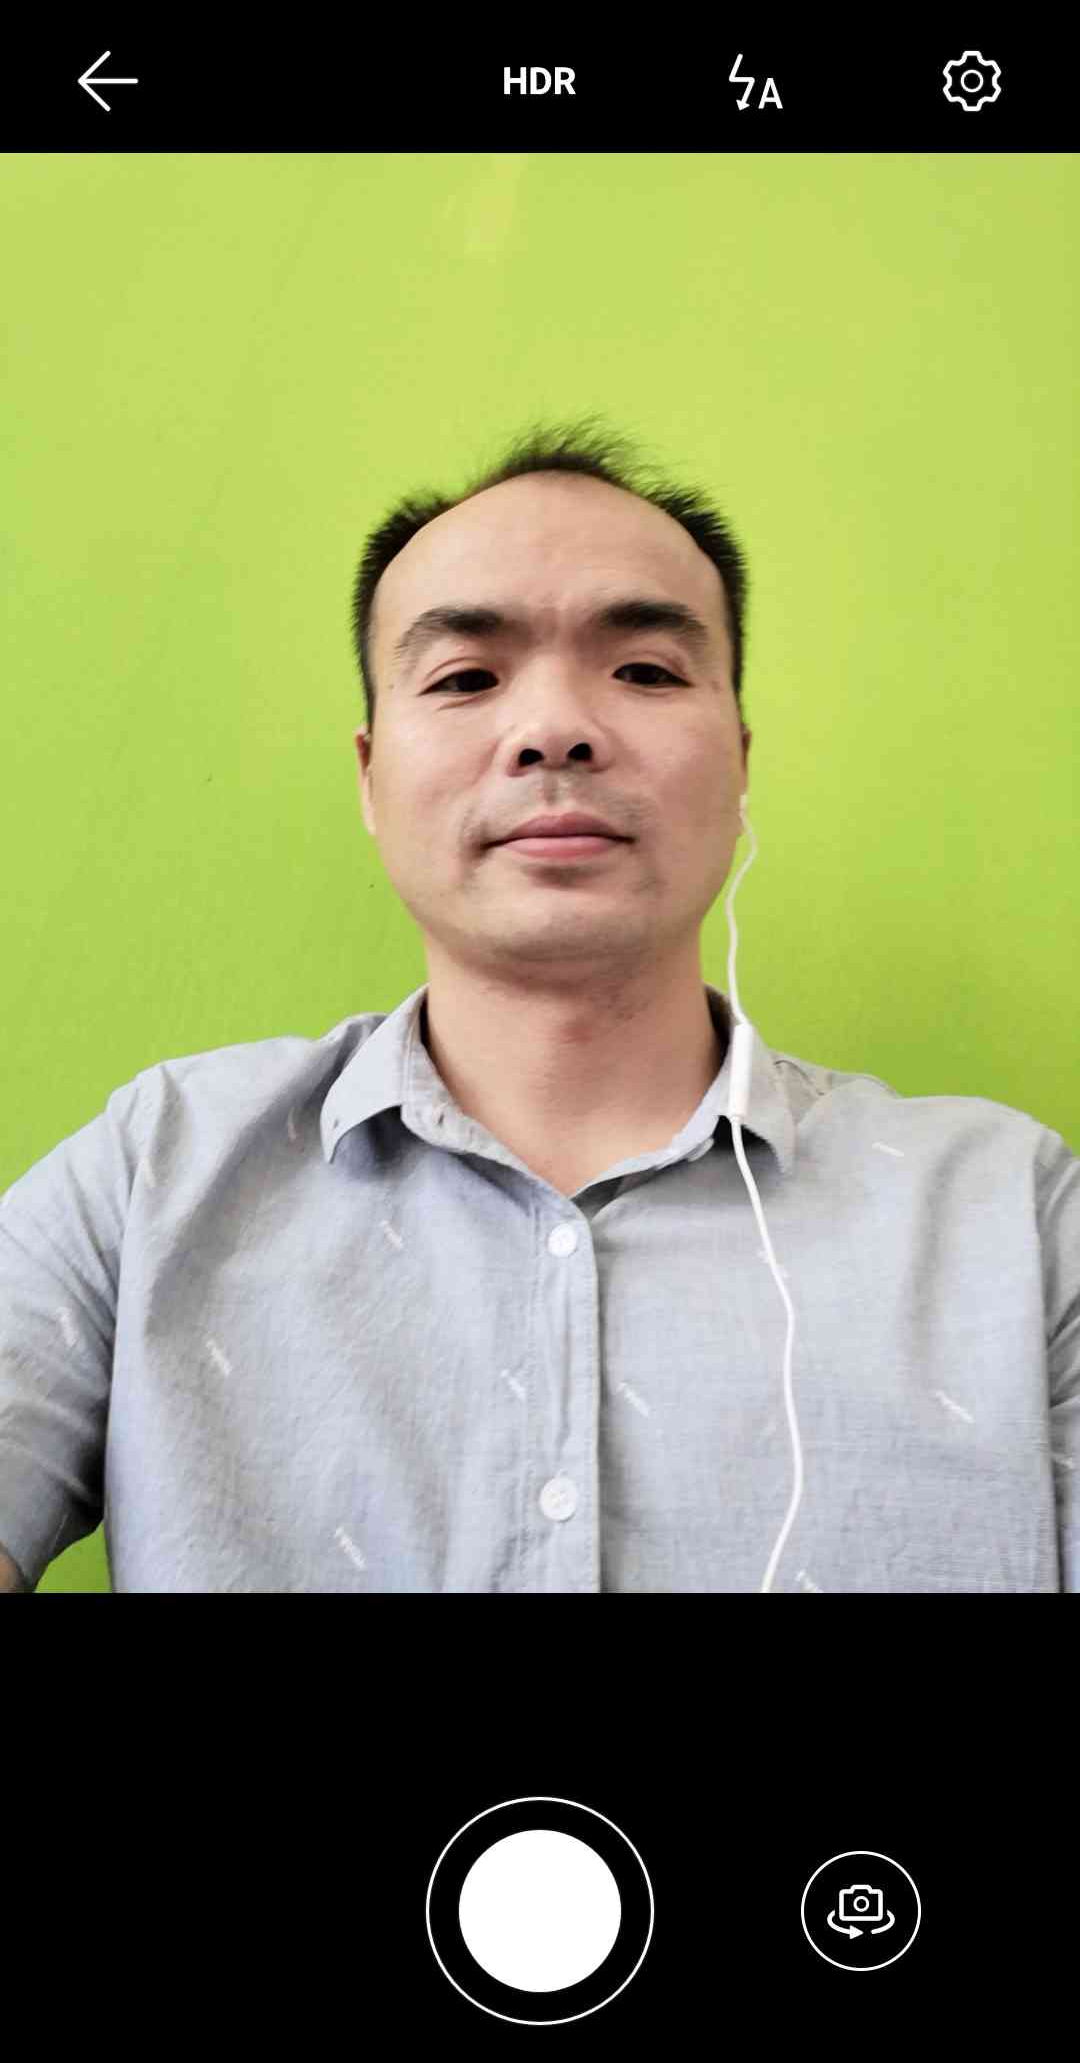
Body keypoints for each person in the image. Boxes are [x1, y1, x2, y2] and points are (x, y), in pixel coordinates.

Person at [2, 432, 1077, 1592]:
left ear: (739, 762)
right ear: (369, 776)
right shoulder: (157, 1172)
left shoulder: (1015, 1218)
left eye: (646, 671)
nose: (554, 728)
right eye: (466, 678)